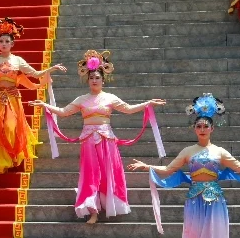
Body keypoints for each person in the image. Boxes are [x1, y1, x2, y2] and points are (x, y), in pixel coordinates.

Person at [133, 94, 240, 238]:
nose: (202, 129)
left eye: (205, 126)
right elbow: (169, 170)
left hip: (215, 198)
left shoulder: (220, 152)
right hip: (194, 198)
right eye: (198, 126)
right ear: (194, 129)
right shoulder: (187, 151)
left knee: (213, 234)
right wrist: (147, 166)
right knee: (196, 234)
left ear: (212, 128)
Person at [44, 51, 166, 223]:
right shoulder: (81, 99)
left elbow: (128, 109)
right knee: (90, 174)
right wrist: (45, 105)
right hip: (88, 140)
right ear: (87, 80)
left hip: (106, 139)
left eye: (97, 77)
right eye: (92, 77)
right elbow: (64, 112)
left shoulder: (110, 98)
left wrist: (148, 103)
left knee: (109, 171)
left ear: (103, 79)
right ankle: (93, 210)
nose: (94, 80)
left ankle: (109, 205)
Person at [0, 19, 66, 173]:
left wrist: (51, 69)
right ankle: (3, 160)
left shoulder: (18, 60)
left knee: (10, 127)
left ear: (12, 44)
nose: (3, 44)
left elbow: (35, 74)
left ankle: (13, 155)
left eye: (6, 41)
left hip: (13, 98)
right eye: (1, 41)